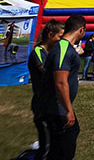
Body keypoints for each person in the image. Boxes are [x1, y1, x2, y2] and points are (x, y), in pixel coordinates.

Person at [44, 14, 87, 160]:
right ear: (81, 30)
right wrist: (69, 110)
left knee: (60, 148)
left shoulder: (65, 47)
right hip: (58, 109)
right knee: (62, 150)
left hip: (60, 107)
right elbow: (60, 82)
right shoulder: (63, 49)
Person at [29, 19, 64, 160]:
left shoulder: (51, 52)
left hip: (53, 105)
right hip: (42, 106)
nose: (62, 41)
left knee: (56, 144)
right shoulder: (38, 51)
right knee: (46, 146)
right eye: (60, 37)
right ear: (50, 35)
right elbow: (46, 71)